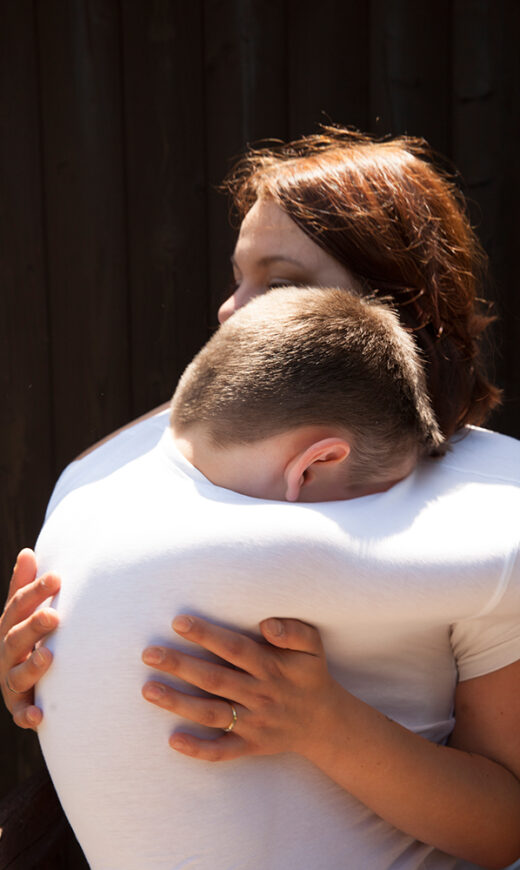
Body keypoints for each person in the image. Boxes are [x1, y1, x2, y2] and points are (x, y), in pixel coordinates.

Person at [1, 127, 520, 870]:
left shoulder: (500, 496)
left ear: (392, 307)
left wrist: (325, 725)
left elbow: (502, 825)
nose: (230, 310)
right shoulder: (133, 455)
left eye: (278, 284)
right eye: (237, 276)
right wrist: (52, 669)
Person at [34, 285, 442, 870]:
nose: (232, 307)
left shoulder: (85, 492)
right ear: (314, 466)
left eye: (276, 282)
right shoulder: (254, 546)